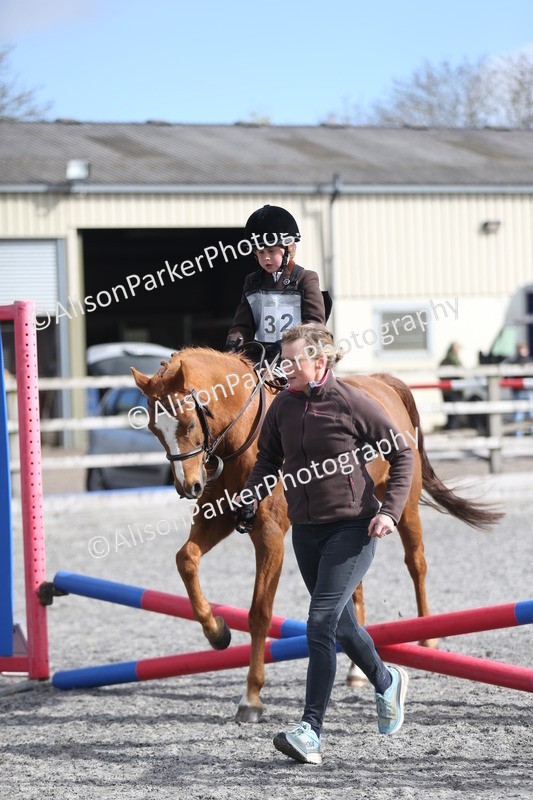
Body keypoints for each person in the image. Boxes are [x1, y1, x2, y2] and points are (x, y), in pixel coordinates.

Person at [236, 323, 413, 765]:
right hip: (307, 531)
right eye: (283, 359)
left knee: (319, 624)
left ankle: (310, 731)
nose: (285, 368)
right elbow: (269, 460)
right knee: (340, 623)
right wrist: (251, 496)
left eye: (293, 361)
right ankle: (386, 680)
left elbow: (403, 453)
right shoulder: (282, 406)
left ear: (320, 361)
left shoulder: (351, 402)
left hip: (352, 528)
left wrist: (389, 511)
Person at [225, 205, 329, 364]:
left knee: (314, 386)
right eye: (260, 252)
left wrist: (287, 345)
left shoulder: (306, 279)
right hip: (263, 358)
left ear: (289, 249)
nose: (266, 257)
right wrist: (233, 344)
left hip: (299, 359)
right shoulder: (252, 282)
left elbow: (314, 324)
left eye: (271, 251)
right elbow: (243, 325)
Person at [503, 342, 533, 436]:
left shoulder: (512, 361)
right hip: (525, 390)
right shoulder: (529, 361)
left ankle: (518, 434)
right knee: (527, 413)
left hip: (521, 390)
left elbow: (506, 375)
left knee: (519, 414)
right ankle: (521, 433)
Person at [439, 342, 464, 431]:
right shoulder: (454, 360)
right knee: (454, 413)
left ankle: (449, 429)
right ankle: (451, 430)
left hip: (445, 390)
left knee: (449, 413)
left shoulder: (444, 360)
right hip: (453, 390)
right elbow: (462, 373)